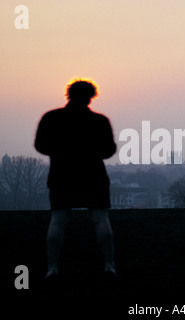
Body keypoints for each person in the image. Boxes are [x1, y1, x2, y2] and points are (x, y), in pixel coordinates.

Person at [35, 79, 117, 279]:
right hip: (94, 177)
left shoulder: (51, 118)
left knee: (58, 220)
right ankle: (109, 265)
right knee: (100, 219)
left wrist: (61, 152)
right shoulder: (99, 121)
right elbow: (109, 151)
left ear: (68, 94)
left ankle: (52, 268)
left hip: (61, 177)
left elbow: (40, 146)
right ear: (91, 96)